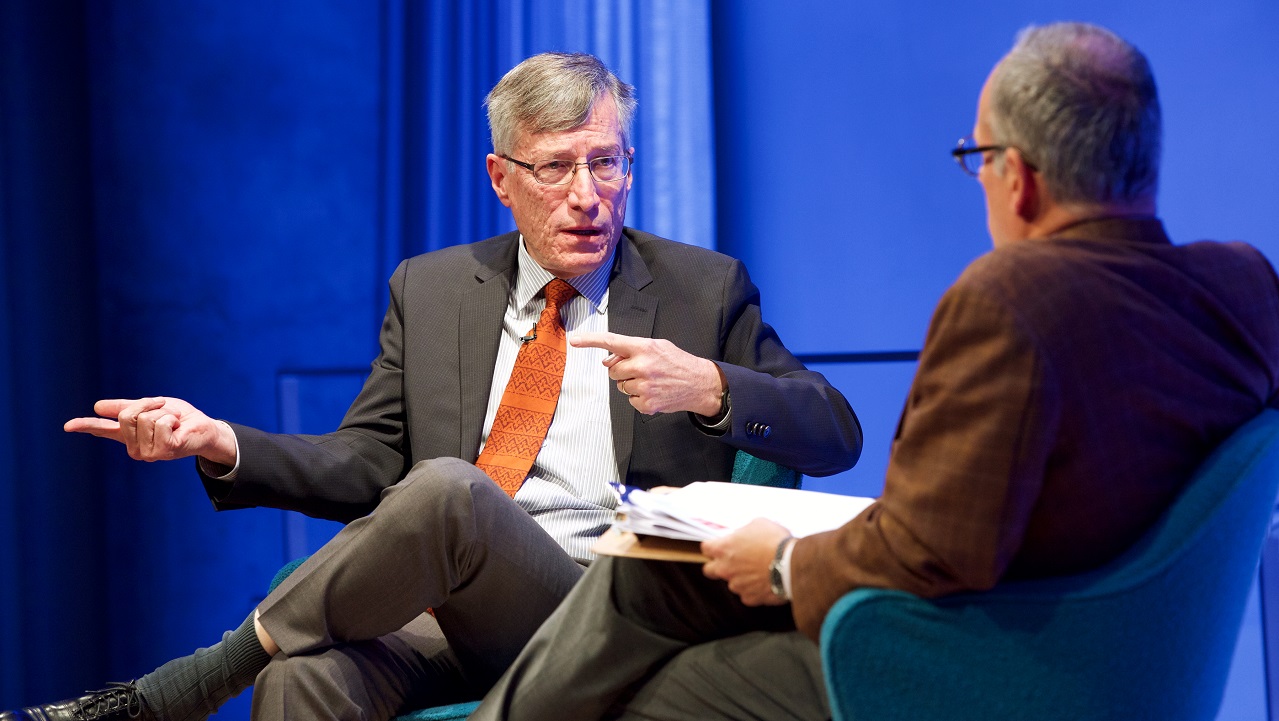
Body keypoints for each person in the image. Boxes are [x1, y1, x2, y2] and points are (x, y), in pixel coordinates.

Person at [0, 52, 862, 721]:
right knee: (309, 676)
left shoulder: (699, 289)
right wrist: (221, 441)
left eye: (607, 164)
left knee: (450, 488)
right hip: (451, 610)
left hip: (606, 608)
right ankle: (225, 677)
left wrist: (711, 383)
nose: (587, 196)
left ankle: (183, 688)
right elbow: (368, 462)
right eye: (556, 168)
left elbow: (833, 430)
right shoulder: (434, 287)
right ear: (501, 179)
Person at [468, 22, 1279, 721]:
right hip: (1127, 654)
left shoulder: (1011, 299)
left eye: (977, 157)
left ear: (1019, 178)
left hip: (972, 659)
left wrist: (782, 558)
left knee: (648, 682)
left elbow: (934, 550)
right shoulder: (1244, 285)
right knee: (645, 578)